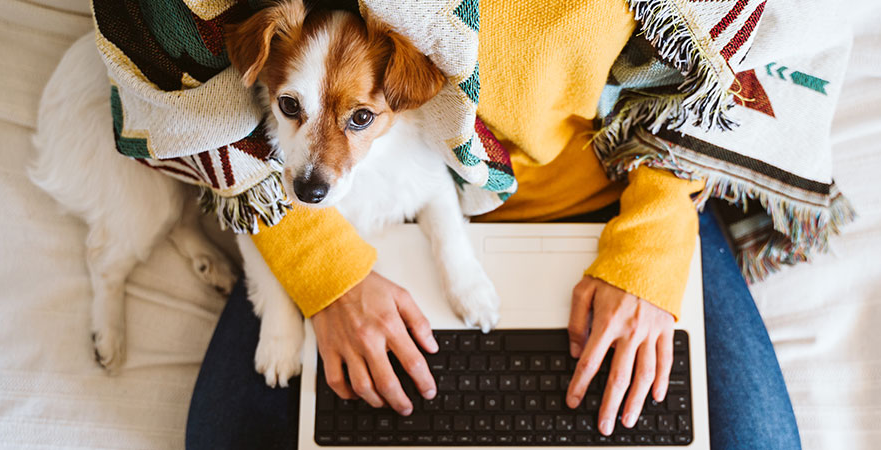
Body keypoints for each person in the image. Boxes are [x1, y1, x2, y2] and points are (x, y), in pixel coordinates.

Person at [183, 1, 801, 448]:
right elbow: (183, 74)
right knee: (229, 434)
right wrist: (324, 270)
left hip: (618, 189)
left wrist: (651, 251)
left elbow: (714, 69)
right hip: (357, 208)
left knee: (754, 440)